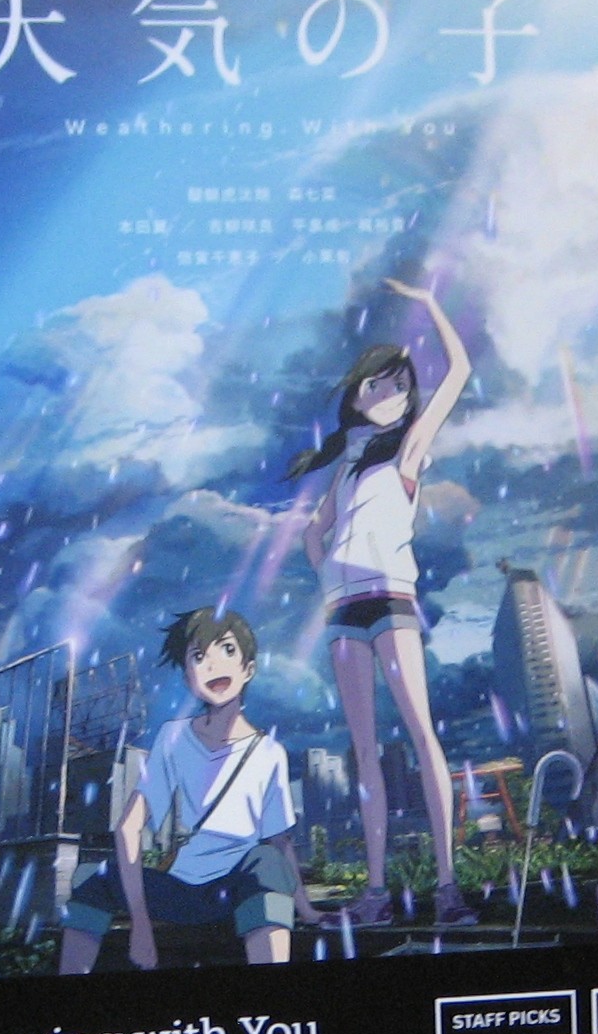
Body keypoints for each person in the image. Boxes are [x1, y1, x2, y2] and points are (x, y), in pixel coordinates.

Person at [291, 279, 477, 931]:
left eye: (400, 384)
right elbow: (313, 532)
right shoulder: (345, 467)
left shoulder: (408, 448)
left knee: (422, 735)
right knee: (364, 751)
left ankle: (448, 887)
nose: (392, 393)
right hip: (344, 614)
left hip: (392, 601)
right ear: (357, 394)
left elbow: (459, 371)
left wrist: (429, 304)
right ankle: (375, 892)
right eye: (380, 384)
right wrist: (328, 576)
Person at [59, 607, 302, 971]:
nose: (214, 665)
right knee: (91, 878)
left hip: (236, 889)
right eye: (199, 656)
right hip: (179, 889)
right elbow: (129, 826)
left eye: (228, 650)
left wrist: (306, 908)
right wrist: (141, 924)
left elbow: (280, 842)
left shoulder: (270, 753)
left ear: (248, 669)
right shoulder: (173, 737)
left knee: (266, 862)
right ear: (189, 678)